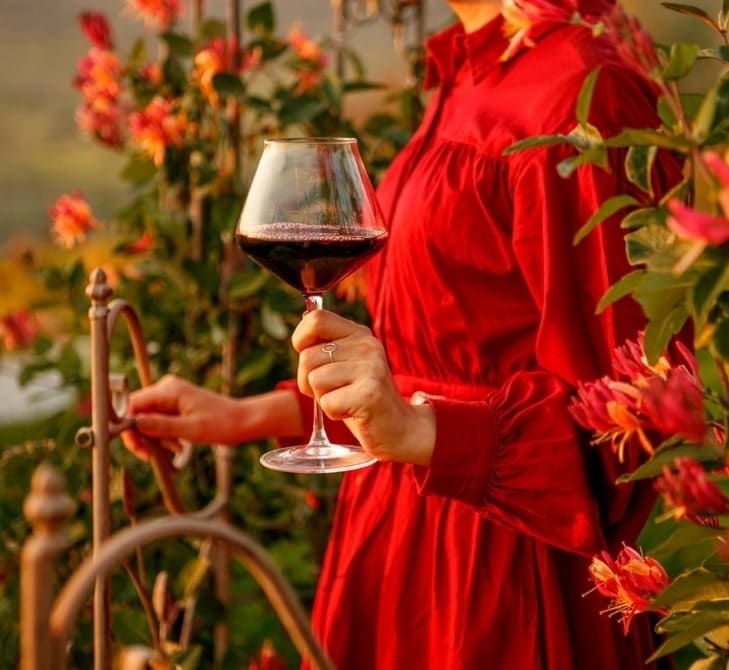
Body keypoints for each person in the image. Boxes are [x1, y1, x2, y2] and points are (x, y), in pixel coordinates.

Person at [123, 0, 678, 667]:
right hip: (404, 548)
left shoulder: (583, 91)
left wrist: (419, 431)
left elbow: (629, 425)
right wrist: (246, 416)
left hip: (495, 584)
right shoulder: (476, 64)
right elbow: (439, 366)